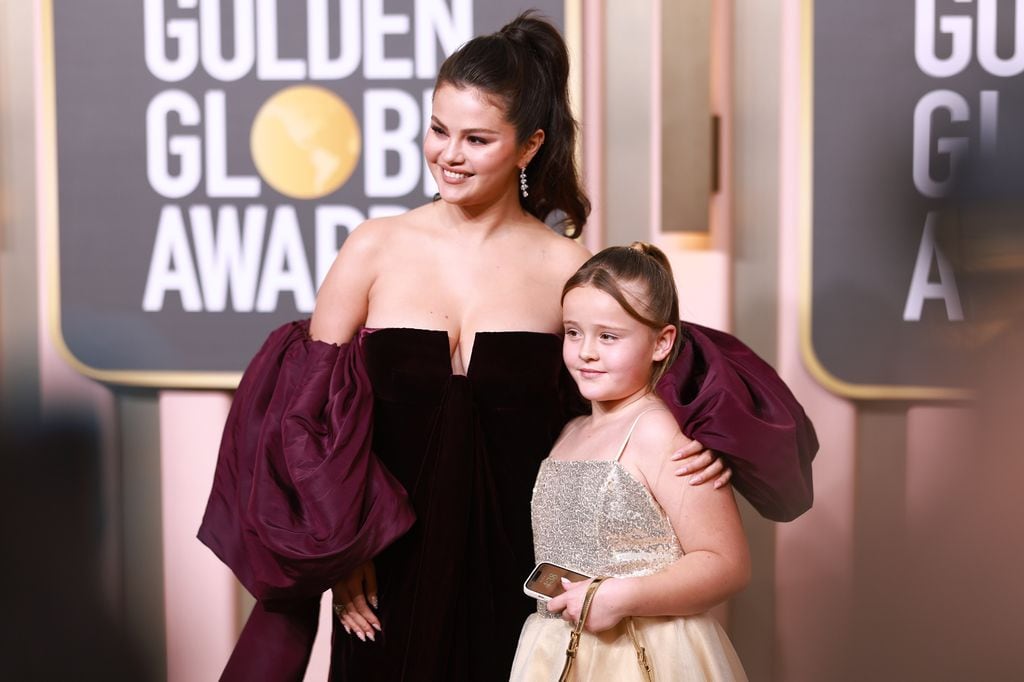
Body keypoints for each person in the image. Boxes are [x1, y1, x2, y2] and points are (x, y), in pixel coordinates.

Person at [198, 12, 815, 681]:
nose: (448, 154)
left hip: (523, 579)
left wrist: (697, 449)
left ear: (528, 147)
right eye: (438, 129)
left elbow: (638, 376)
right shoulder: (373, 248)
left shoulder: (564, 267)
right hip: (384, 572)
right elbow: (306, 422)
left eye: (477, 138)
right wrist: (342, 548)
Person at [510, 243, 749, 681]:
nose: (585, 352)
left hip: (646, 653)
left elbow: (726, 562)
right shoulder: (569, 431)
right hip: (558, 647)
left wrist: (620, 597)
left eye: (608, 336)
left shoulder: (659, 432)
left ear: (662, 342)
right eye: (573, 332)